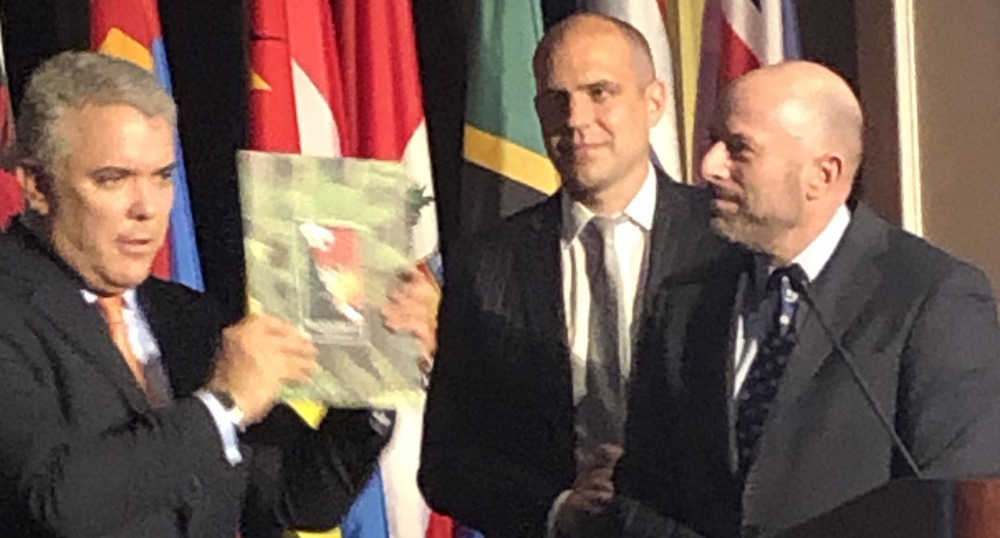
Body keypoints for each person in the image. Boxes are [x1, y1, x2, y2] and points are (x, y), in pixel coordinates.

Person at [0, 51, 390, 538]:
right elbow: (57, 502)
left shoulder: (185, 317)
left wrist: (376, 372)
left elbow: (291, 501)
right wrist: (222, 405)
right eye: (113, 179)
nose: (146, 207)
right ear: (37, 185)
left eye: (162, 177)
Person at [617, 61, 1000, 537]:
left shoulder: (931, 298)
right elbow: (639, 497)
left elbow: (957, 507)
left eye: (739, 149)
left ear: (822, 174)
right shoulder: (683, 301)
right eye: (712, 141)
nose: (709, 165)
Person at [418, 13, 727, 536]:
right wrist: (556, 507)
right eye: (555, 99)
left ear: (655, 101)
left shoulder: (725, 244)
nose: (575, 118)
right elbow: (447, 464)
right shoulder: (487, 264)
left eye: (600, 92)